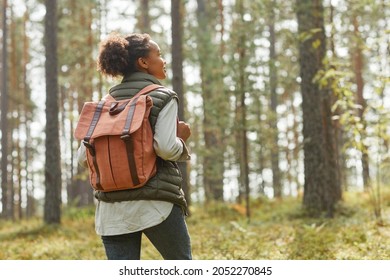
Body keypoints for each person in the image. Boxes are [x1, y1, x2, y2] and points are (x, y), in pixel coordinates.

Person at [78, 33, 192, 260]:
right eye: (158, 55)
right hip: (156, 204)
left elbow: (83, 157)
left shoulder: (104, 104)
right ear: (143, 62)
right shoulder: (163, 96)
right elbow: (166, 149)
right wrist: (181, 139)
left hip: (112, 211)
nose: (163, 60)